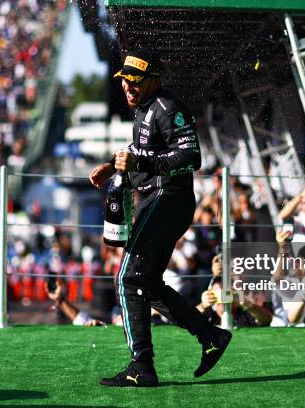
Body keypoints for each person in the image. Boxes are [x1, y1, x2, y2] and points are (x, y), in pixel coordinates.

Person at [89, 50, 231, 387]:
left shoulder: (168, 108)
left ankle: (142, 366)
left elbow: (191, 156)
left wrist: (142, 166)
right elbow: (142, 150)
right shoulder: (144, 109)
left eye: (135, 81)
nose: (127, 86)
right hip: (159, 201)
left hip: (168, 199)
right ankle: (209, 335)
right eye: (124, 80)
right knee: (147, 284)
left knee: (128, 278)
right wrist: (113, 164)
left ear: (154, 79)